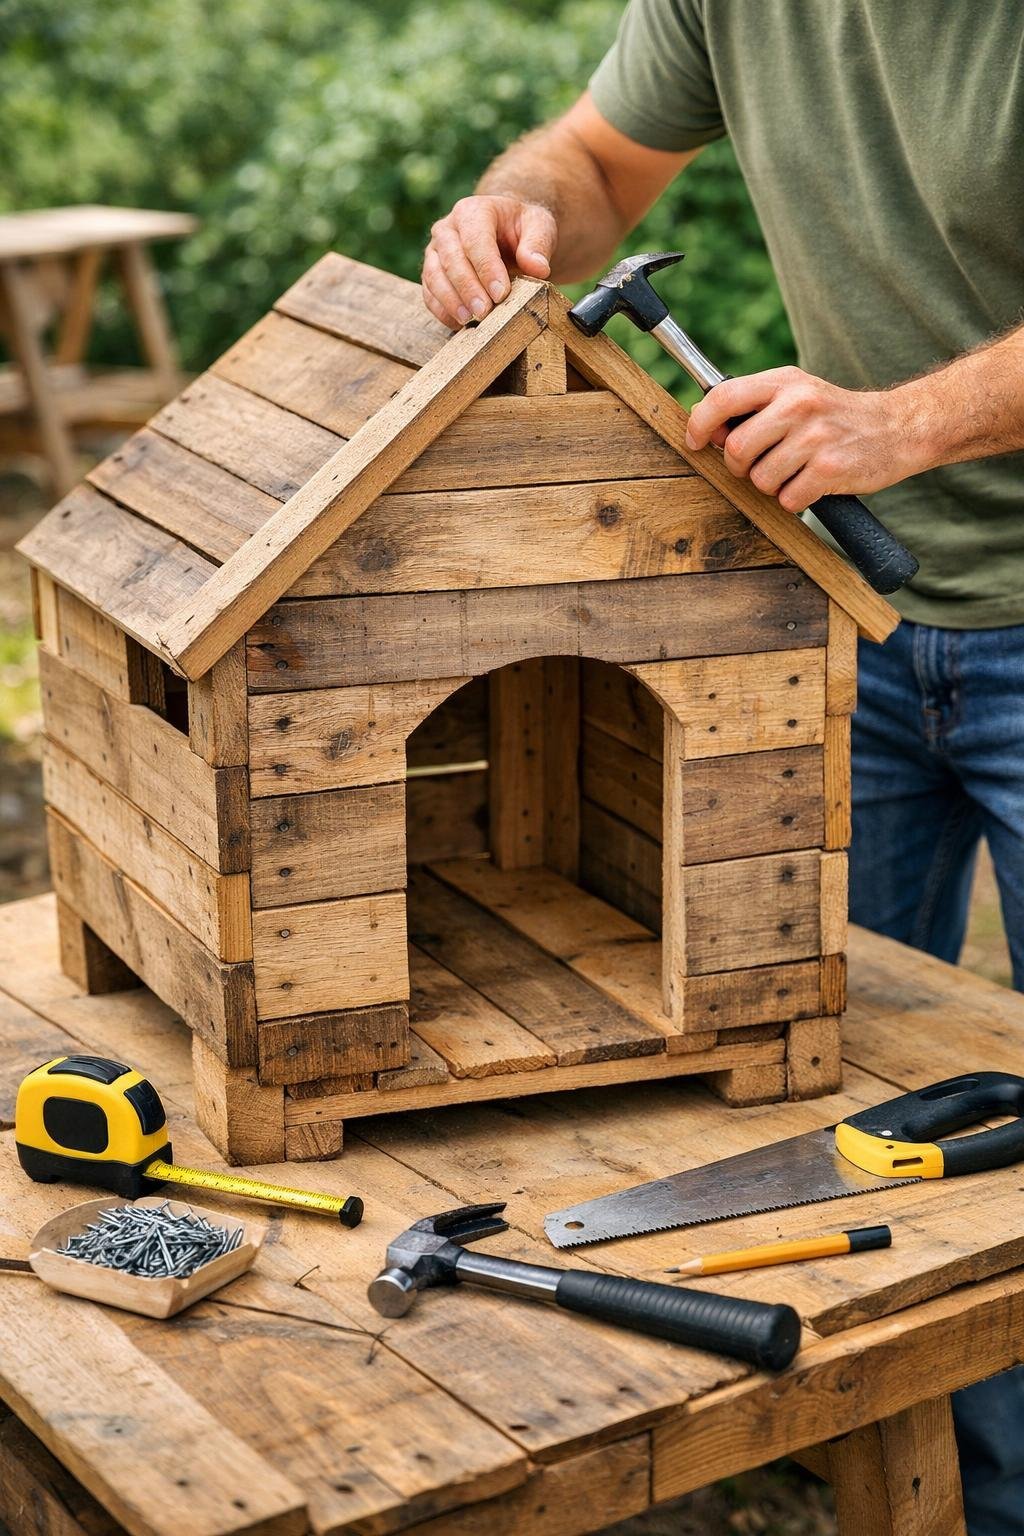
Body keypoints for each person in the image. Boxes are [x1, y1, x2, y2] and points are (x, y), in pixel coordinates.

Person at [421, 4, 1024, 1531]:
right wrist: (519, 212)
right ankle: (945, 1477)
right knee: (824, 1083)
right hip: (852, 619)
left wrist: (900, 422)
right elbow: (595, 161)